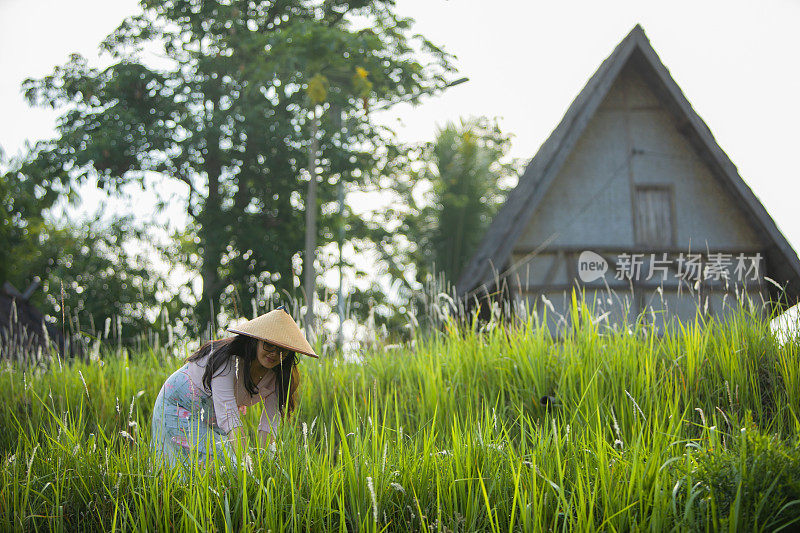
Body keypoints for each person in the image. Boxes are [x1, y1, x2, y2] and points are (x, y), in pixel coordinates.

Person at [150, 305, 318, 469]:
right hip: (178, 405)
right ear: (256, 341)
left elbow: (269, 425)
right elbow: (229, 416)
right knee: (227, 459)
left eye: (282, 350)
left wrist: (263, 464)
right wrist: (248, 464)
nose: (274, 353)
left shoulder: (277, 377)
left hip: (211, 414)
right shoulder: (228, 361)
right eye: (268, 345)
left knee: (224, 467)